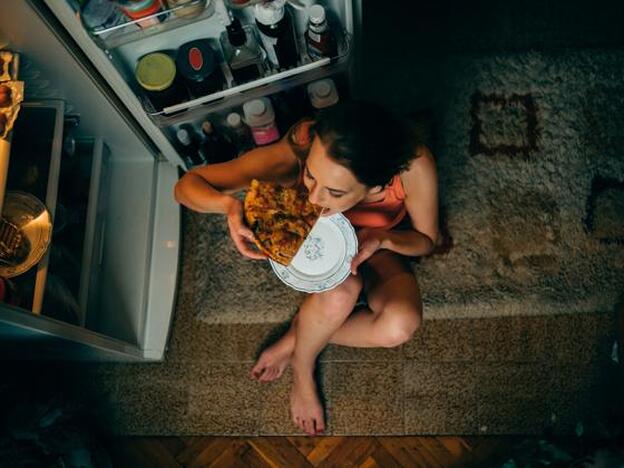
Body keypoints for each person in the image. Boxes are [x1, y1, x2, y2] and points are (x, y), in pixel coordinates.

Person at [174, 100, 440, 436]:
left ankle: (301, 334)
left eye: (335, 191)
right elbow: (186, 187)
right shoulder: (301, 145)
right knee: (340, 294)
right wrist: (228, 206)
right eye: (311, 176)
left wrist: (384, 239)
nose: (314, 198)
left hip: (375, 244)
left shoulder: (412, 166)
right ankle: (303, 367)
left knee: (400, 326)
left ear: (376, 186)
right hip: (307, 247)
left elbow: (426, 240)